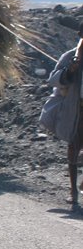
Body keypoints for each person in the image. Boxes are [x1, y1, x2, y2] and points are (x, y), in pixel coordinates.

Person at [43, 20, 83, 209]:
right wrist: (70, 70)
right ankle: (73, 191)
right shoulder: (70, 57)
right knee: (74, 147)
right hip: (77, 110)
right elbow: (54, 79)